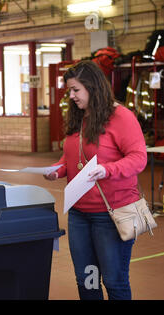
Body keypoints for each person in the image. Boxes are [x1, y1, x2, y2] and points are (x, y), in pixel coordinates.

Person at [44, 60, 147, 300]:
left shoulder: (121, 116)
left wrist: (107, 169)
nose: (71, 96)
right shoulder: (78, 117)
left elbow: (139, 158)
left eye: (76, 90)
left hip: (112, 214)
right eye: (69, 90)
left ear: (93, 87)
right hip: (80, 214)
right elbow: (71, 156)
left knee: (114, 281)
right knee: (86, 279)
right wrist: (56, 170)